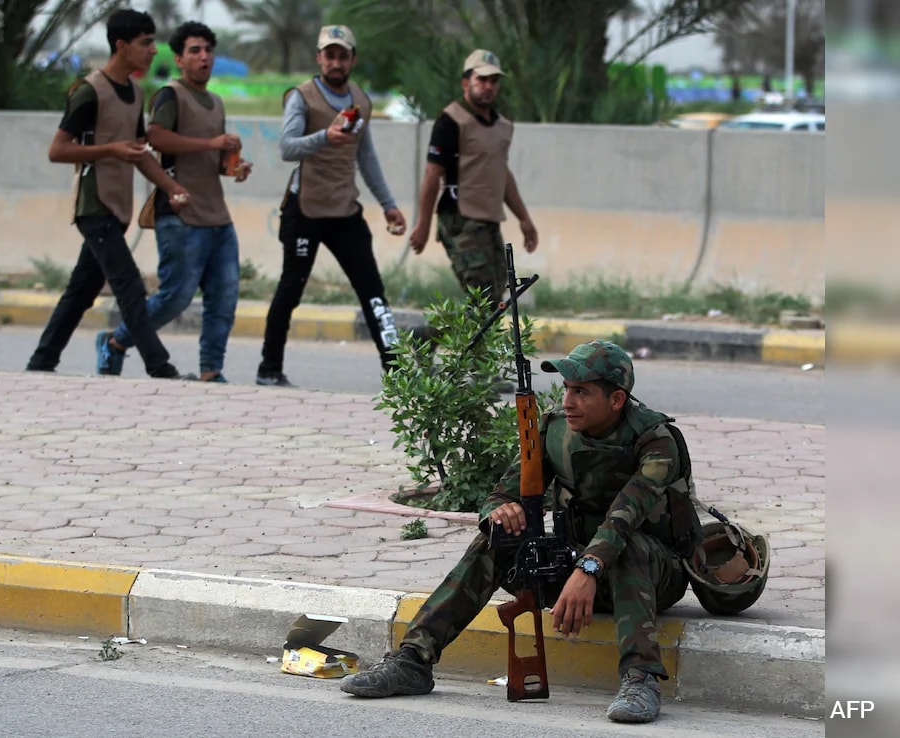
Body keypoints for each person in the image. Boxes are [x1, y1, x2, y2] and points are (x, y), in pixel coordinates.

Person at [341, 340, 697, 724]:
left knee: (629, 546)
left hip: (652, 573)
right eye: (566, 389)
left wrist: (589, 568)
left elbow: (626, 515)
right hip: (580, 567)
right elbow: (500, 494)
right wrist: (500, 511)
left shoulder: (656, 440)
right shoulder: (555, 429)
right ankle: (413, 659)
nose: (568, 400)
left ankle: (640, 678)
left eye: (581, 391)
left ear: (616, 400)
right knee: (496, 537)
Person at [26, 9, 190, 377]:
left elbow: (138, 151)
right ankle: (159, 366)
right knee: (128, 285)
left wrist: (172, 186)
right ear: (121, 45)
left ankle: (42, 361)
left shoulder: (134, 92)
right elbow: (58, 150)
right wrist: (109, 150)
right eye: (145, 43)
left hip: (118, 206)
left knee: (82, 290)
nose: (152, 50)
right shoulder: (88, 92)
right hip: (93, 203)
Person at [96, 20, 251, 383]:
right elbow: (157, 138)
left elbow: (212, 161)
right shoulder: (170, 94)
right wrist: (211, 145)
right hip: (180, 215)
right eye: (194, 51)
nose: (203, 57)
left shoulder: (215, 102)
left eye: (208, 50)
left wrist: (234, 167)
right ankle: (116, 342)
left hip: (217, 216)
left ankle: (211, 370)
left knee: (224, 299)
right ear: (179, 60)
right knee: (175, 297)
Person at [255, 25, 406, 388]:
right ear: (319, 57)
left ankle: (398, 374)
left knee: (373, 291)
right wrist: (326, 136)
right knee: (291, 288)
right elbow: (287, 147)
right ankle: (269, 368)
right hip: (305, 209)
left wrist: (388, 205)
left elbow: (366, 157)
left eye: (343, 55)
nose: (336, 62)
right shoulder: (303, 98)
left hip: (344, 211)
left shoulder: (360, 101)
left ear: (352, 59)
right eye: (330, 55)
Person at [408, 49, 538, 311]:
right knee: (484, 297)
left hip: (489, 220)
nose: (488, 86)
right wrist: (422, 224)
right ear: (466, 83)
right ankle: (428, 342)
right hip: (459, 219)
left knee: (494, 298)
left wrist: (524, 218)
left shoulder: (502, 126)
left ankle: (438, 340)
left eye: (494, 81)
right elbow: (432, 175)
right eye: (482, 80)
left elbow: (502, 173)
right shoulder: (451, 121)